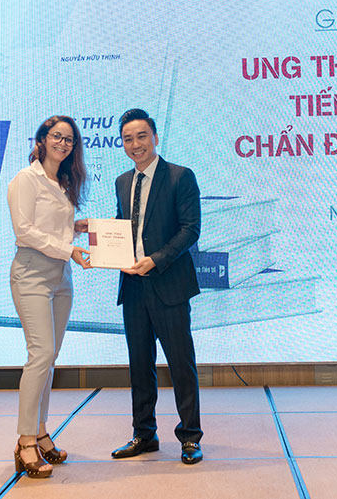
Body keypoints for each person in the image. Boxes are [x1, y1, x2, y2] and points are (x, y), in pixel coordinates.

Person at [110, 108, 204, 465]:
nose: (135, 144)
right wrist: (100, 235)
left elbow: (190, 229)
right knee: (139, 365)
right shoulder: (122, 181)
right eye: (128, 139)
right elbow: (122, 228)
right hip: (133, 287)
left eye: (141, 136)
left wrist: (156, 259)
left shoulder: (180, 176)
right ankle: (144, 434)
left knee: (181, 364)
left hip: (169, 285)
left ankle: (190, 437)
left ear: (155, 138)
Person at [6, 115, 90, 478]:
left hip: (61, 277)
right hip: (32, 274)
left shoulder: (63, 182)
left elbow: (49, 227)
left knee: (49, 358)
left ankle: (40, 432)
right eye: (56, 136)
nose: (63, 144)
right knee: (39, 354)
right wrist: (68, 248)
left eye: (69, 140)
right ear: (41, 139)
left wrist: (75, 228)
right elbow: (24, 231)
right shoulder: (26, 179)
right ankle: (25, 440)